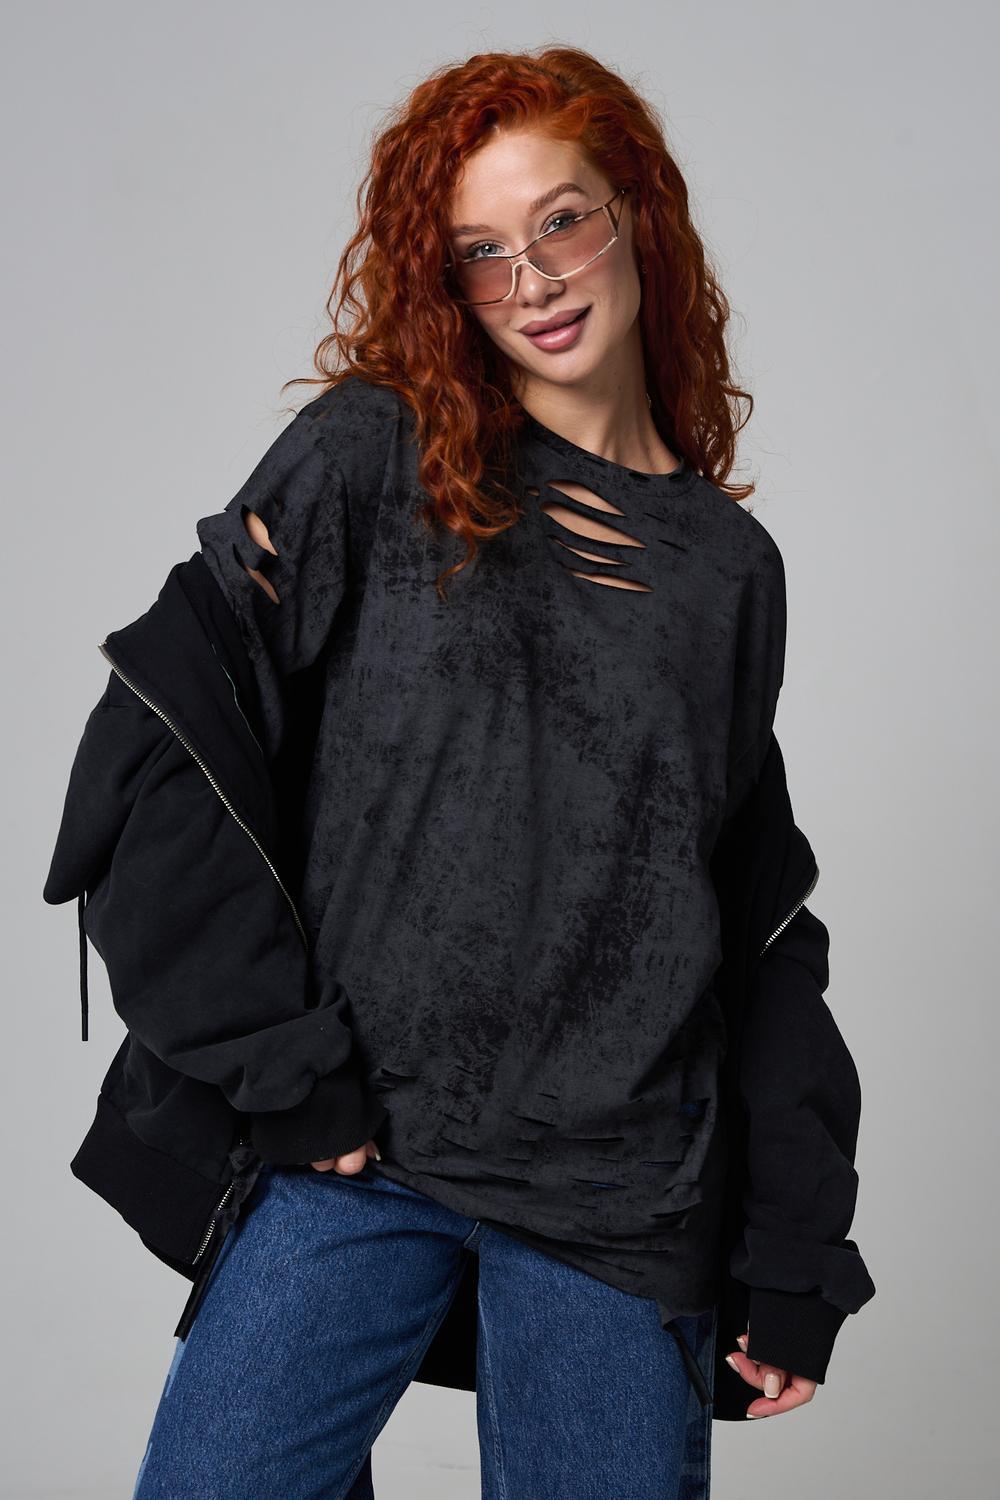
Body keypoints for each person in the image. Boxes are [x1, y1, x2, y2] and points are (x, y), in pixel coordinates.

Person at [42, 44, 875, 1500]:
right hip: (365, 1150)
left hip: (621, 1202)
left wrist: (794, 1247)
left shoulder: (731, 571)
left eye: (561, 221)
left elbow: (748, 917)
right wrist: (288, 1070)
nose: (533, 280)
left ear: (637, 212)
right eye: (482, 251)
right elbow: (165, 742)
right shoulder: (378, 453)